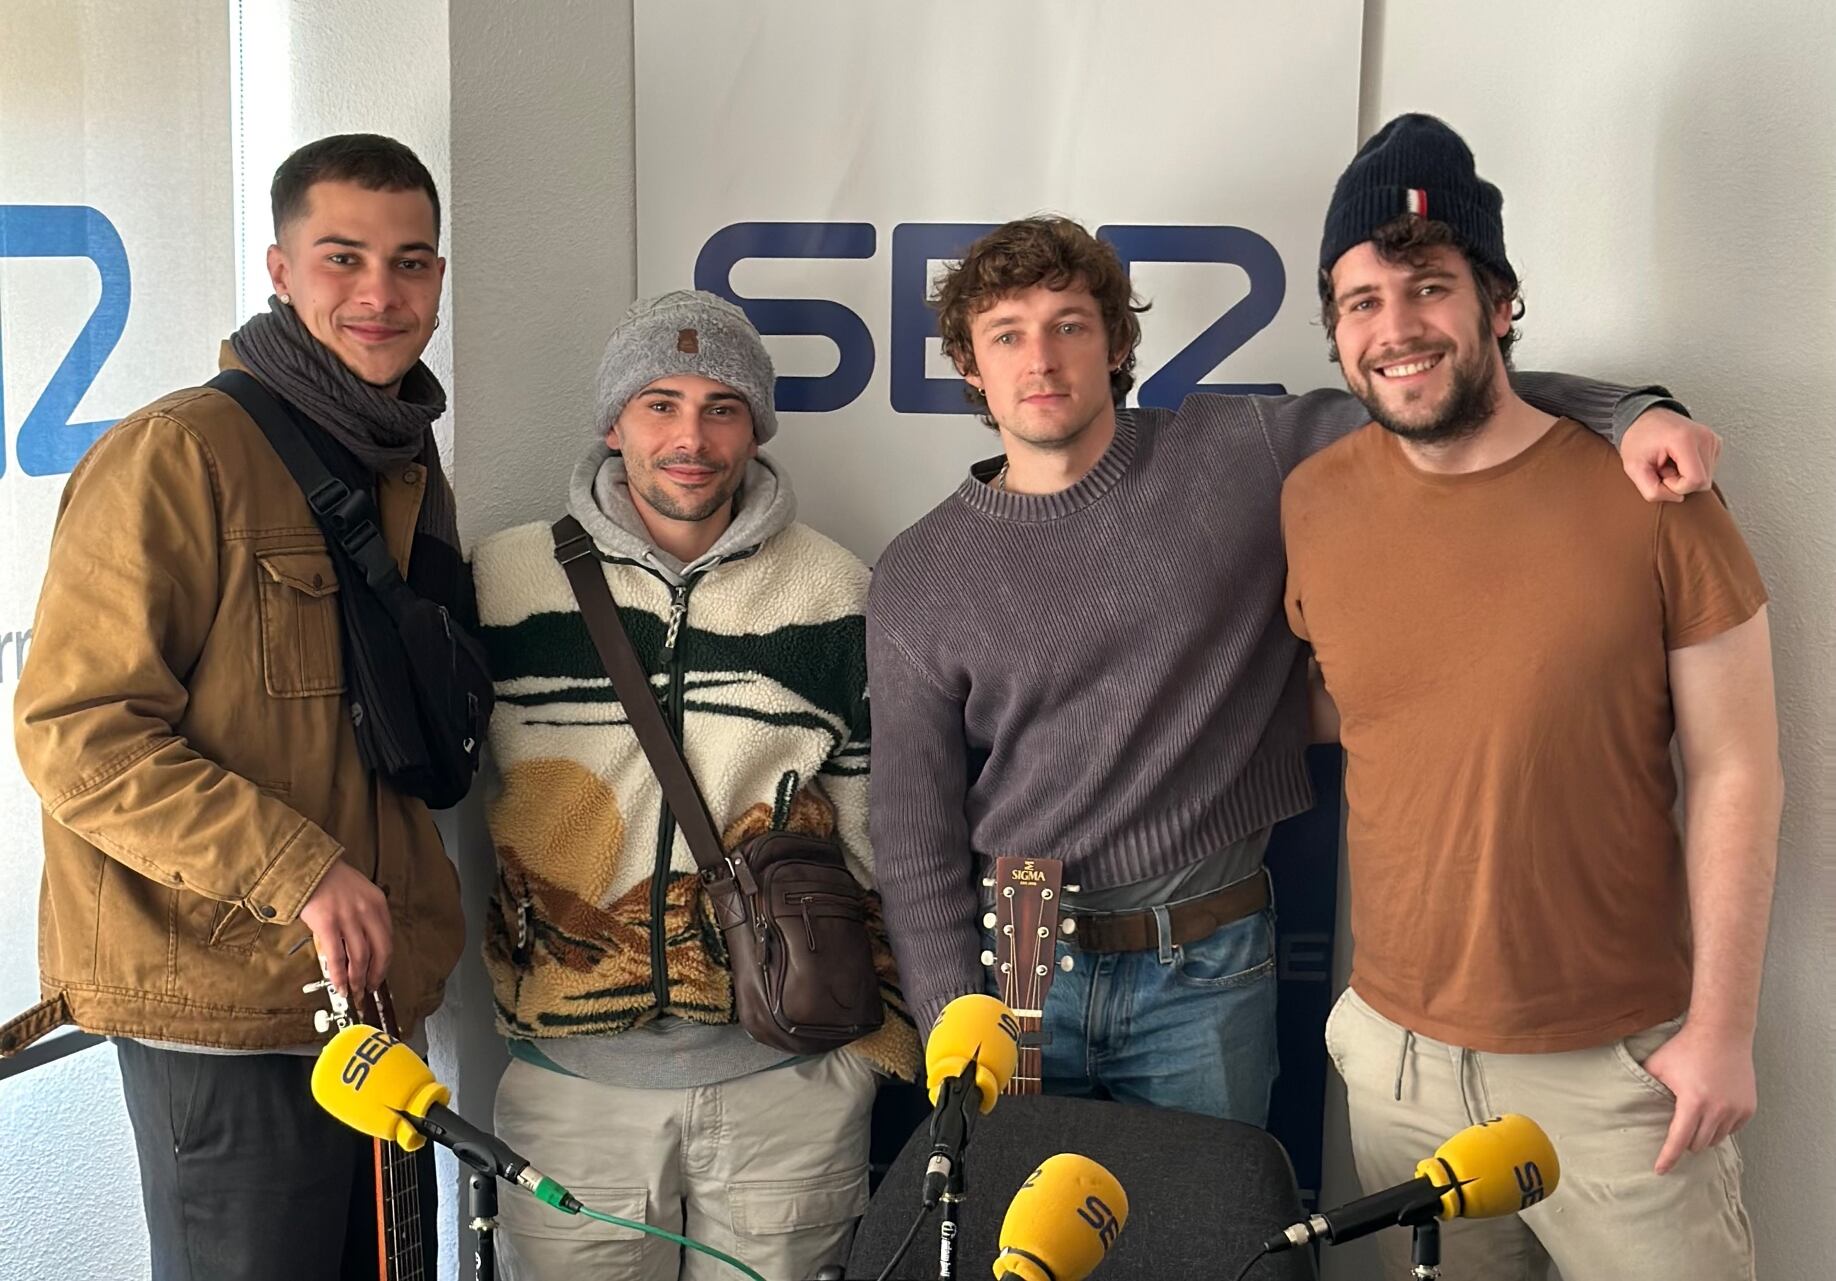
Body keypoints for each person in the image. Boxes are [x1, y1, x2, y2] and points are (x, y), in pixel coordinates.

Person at [867, 212, 1725, 1125]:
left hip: (1204, 967)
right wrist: (954, 1019)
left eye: (1069, 325)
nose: (1040, 359)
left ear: (1116, 342)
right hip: (1019, 981)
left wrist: (1629, 412)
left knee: (1218, 1251)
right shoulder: (921, 572)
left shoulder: (1235, 452)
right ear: (969, 364)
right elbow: (914, 837)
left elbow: (1440, 398)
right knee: (1022, 1260)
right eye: (1008, 335)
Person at [1284, 113, 1778, 1280]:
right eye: (1361, 302)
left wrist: (1723, 1031)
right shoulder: (1310, 499)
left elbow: (1737, 768)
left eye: (1428, 289)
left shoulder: (1655, 496)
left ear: (1499, 303)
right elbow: (1364, 706)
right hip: (1399, 1071)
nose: (1396, 329)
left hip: (1618, 1078)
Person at [0, 134, 468, 1279]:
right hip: (223, 1009)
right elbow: (76, 732)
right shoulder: (177, 452)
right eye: (342, 258)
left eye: (410, 263)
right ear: (278, 266)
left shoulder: (403, 462)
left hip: (370, 1011)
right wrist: (296, 869)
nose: (379, 295)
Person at [472, 289, 917, 1281]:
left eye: (722, 407)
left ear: (756, 427)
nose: (691, 436)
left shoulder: (838, 591)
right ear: (612, 420)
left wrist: (867, 1059)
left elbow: (879, 833)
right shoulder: (502, 583)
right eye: (660, 403)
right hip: (571, 1094)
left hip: (784, 1088)